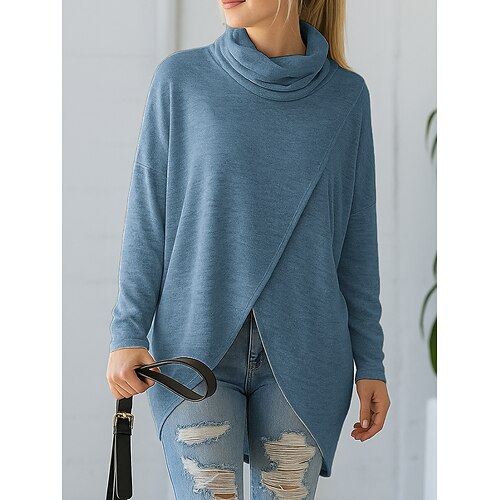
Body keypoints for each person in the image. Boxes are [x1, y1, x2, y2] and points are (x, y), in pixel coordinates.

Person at [106, 0, 391, 498]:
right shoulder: (182, 81)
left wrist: (371, 361)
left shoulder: (346, 98)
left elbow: (356, 243)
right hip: (194, 349)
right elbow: (149, 218)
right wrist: (127, 331)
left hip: (307, 354)